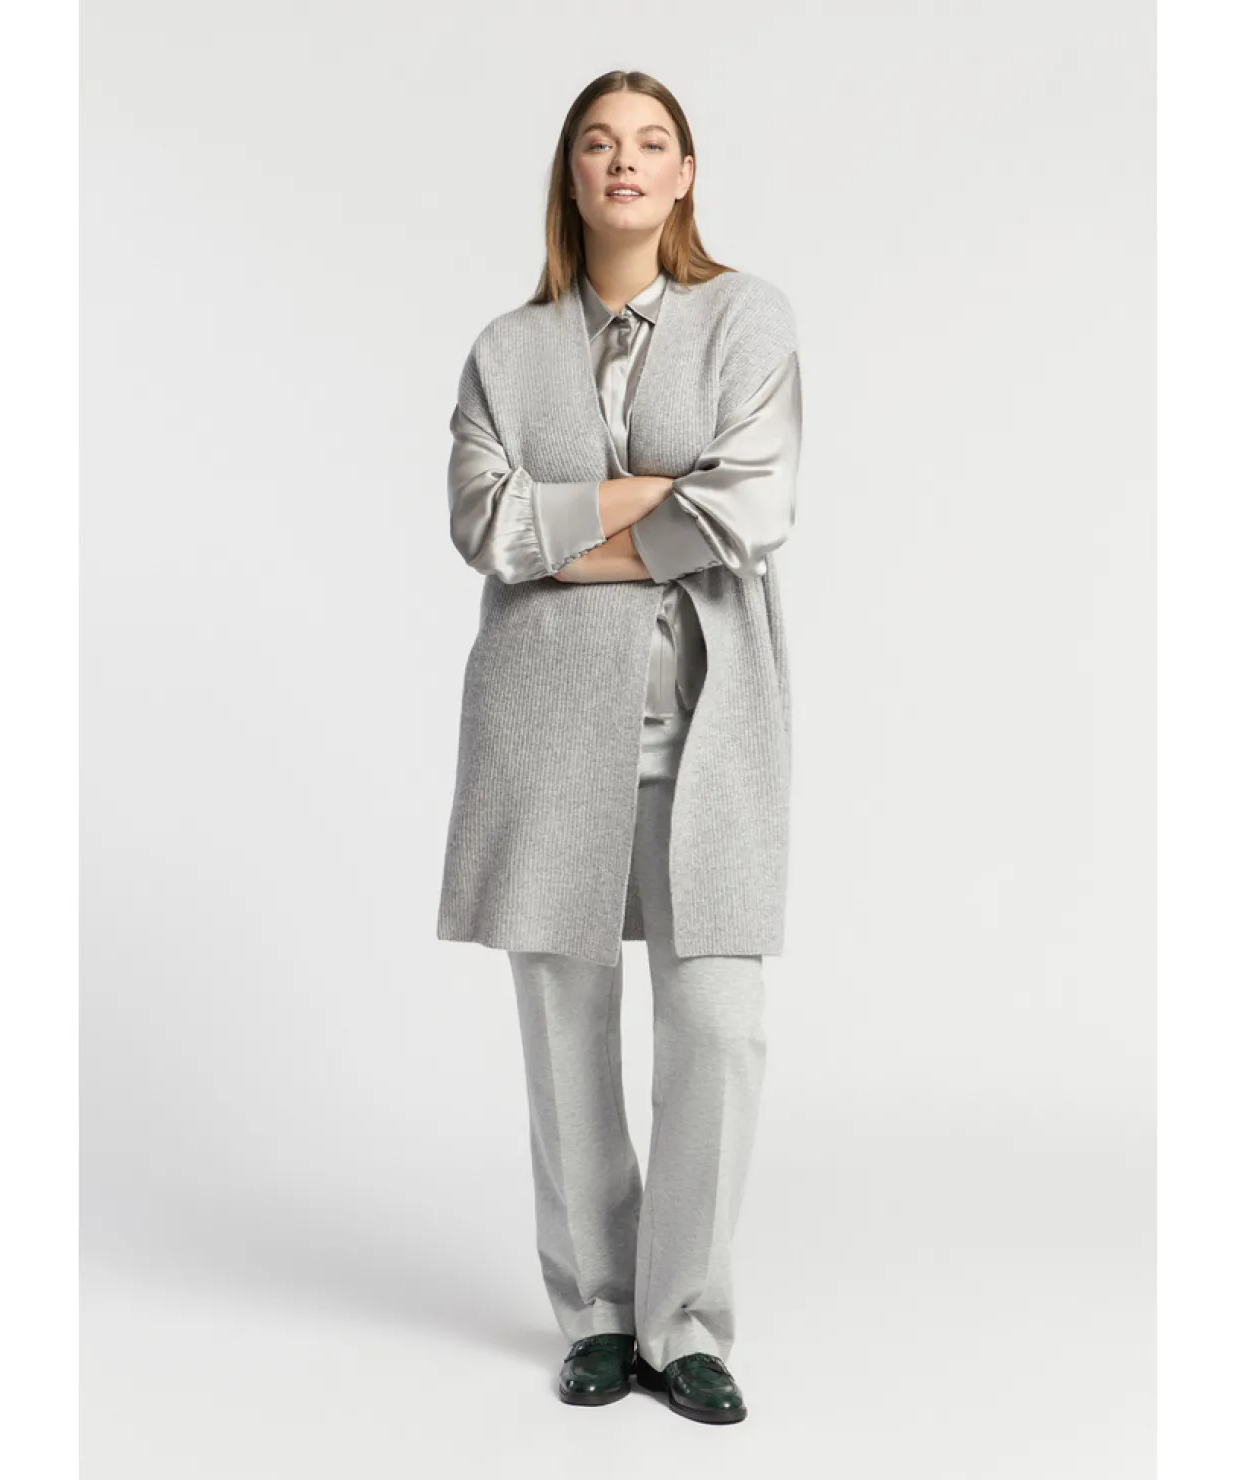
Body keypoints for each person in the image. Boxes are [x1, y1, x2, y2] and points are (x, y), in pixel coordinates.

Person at [437, 69, 802, 1426]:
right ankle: (599, 1312)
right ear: (573, 175)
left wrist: (566, 529)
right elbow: (482, 524)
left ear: (686, 172)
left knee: (719, 1031)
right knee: (565, 1035)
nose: (625, 161)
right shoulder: (506, 349)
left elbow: (749, 508)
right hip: (543, 731)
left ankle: (684, 1321)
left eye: (651, 142)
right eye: (599, 143)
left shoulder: (746, 319)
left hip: (709, 735)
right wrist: (654, 501)